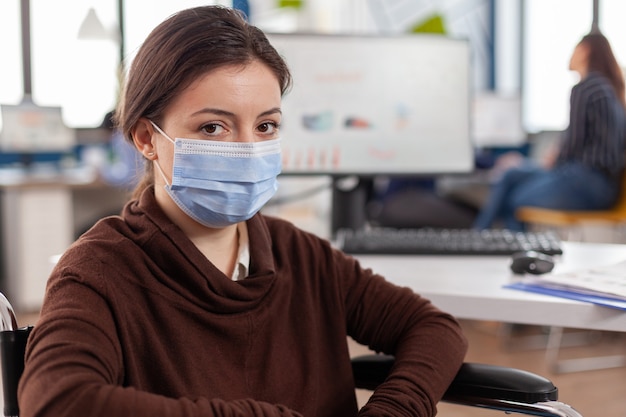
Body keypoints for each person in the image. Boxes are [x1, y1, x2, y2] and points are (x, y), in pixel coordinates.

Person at [19, 6, 467, 417]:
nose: (248, 150)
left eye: (266, 125)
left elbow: (433, 329)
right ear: (145, 138)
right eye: (213, 127)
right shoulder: (99, 272)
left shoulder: (302, 256)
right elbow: (58, 400)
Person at [473, 31, 626, 231]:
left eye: (574, 49)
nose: (570, 55)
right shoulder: (613, 92)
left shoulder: (585, 88)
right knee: (511, 175)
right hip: (605, 188)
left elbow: (571, 148)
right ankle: (479, 237)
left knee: (515, 199)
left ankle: (481, 239)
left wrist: (549, 161)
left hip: (583, 180)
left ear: (585, 51)